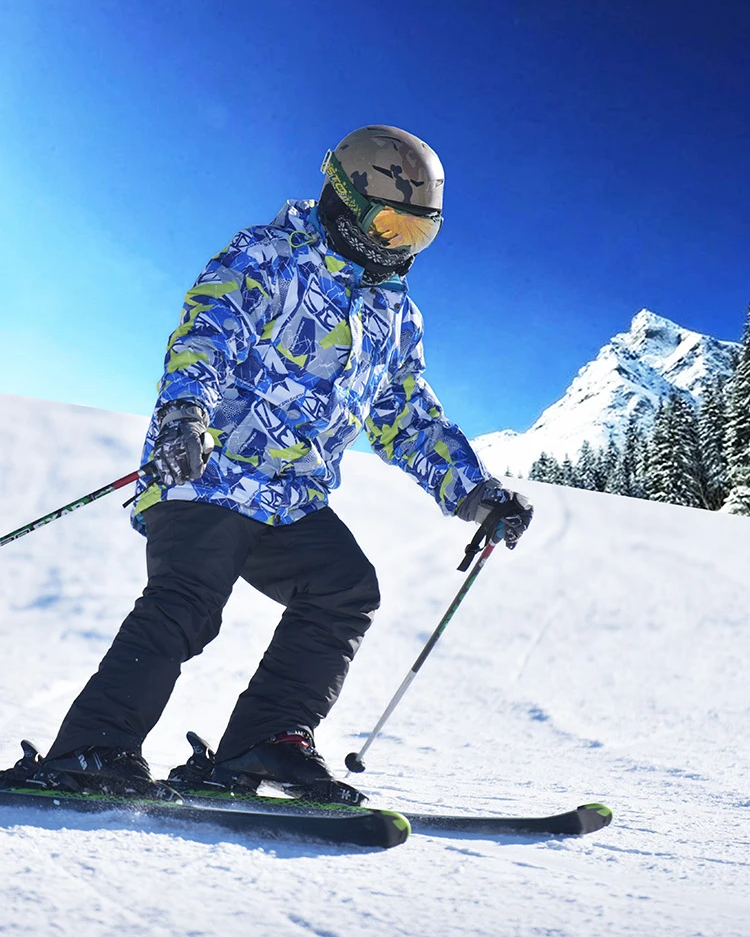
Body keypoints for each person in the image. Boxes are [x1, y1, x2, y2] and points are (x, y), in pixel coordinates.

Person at [2, 126, 533, 803]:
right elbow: (206, 334)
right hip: (209, 472)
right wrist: (184, 414)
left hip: (291, 499)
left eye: (417, 235)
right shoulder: (269, 255)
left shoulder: (394, 314)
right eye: (393, 226)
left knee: (344, 591)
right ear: (345, 200)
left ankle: (265, 744)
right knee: (188, 601)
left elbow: (406, 413)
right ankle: (91, 751)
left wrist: (475, 492)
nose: (399, 247)